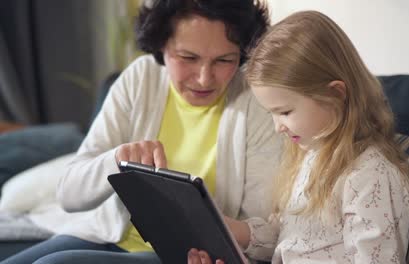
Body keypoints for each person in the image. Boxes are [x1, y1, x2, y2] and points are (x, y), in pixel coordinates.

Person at [2, 0, 281, 263]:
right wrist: (117, 159)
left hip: (182, 253)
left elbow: (268, 235)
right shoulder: (141, 78)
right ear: (161, 45)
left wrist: (215, 230)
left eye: (224, 60)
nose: (204, 78)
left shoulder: (256, 103)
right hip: (105, 234)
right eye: (188, 57)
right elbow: (69, 194)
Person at [188, 10, 409, 264]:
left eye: (285, 112)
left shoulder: (370, 177)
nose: (278, 128)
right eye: (271, 114)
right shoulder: (310, 155)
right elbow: (287, 239)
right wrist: (231, 230)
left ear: (336, 95)